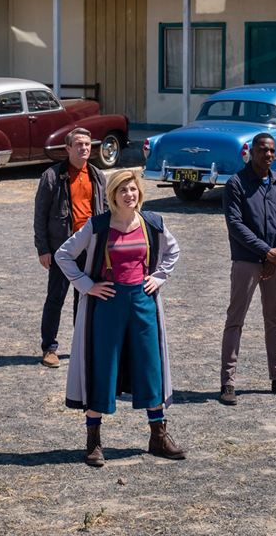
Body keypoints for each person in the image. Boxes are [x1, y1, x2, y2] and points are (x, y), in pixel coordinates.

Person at [55, 169, 185, 467]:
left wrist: (159, 277)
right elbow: (64, 254)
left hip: (142, 302)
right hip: (109, 304)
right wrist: (87, 286)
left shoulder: (152, 222)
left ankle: (158, 435)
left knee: (150, 365)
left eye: (133, 189)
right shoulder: (98, 226)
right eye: (123, 190)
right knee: (103, 366)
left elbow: (172, 252)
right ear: (113, 195)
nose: (129, 194)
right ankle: (94, 442)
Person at [219, 133, 276, 406]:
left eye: (273, 151)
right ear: (251, 152)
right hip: (246, 261)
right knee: (235, 320)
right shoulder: (236, 184)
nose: (269, 155)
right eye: (263, 150)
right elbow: (236, 225)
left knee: (274, 319)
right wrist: (265, 251)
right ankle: (228, 383)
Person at [34, 128, 107, 368]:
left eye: (87, 144)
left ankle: (82, 345)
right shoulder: (53, 176)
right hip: (62, 249)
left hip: (91, 247)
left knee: (85, 297)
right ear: (67, 149)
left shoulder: (97, 175)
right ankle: (49, 348)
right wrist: (43, 248)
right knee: (56, 298)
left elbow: (105, 211)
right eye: (78, 144)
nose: (84, 148)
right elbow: (40, 215)